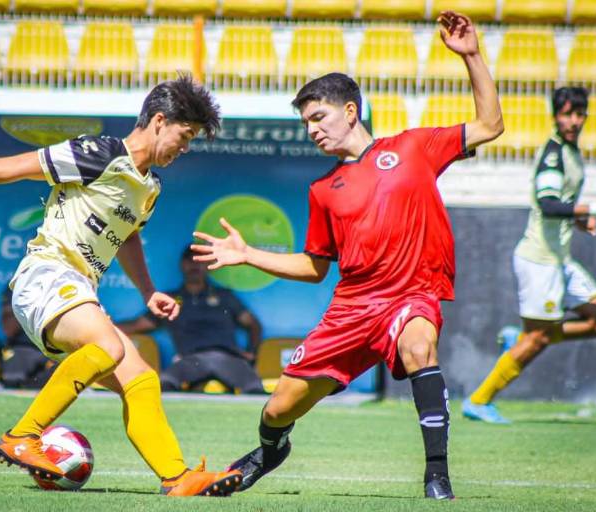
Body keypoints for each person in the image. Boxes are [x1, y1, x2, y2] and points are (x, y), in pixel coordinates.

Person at [191, 11, 503, 500]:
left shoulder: (414, 147)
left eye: (319, 117)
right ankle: (270, 451)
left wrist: (472, 56)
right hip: (352, 309)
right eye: (306, 123)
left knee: (419, 347)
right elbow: (315, 267)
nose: (312, 130)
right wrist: (249, 254)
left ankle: (437, 475)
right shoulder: (323, 189)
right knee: (277, 409)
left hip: (411, 296)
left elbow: (490, 124)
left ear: (351, 111)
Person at [0, 75, 242, 497]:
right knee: (109, 347)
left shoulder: (150, 187)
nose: (185, 148)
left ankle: (177, 477)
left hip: (75, 290)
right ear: (159, 120)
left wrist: (148, 291)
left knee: (141, 379)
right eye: (184, 136)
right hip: (45, 276)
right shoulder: (99, 154)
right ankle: (22, 436)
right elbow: (15, 167)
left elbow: (128, 237)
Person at [462, 87, 596, 424]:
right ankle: (478, 400)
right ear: (555, 116)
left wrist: (579, 220)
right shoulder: (553, 154)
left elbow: (558, 205)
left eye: (579, 114)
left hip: (559, 259)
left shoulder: (571, 152)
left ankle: (522, 339)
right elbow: (548, 205)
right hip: (539, 261)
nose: (574, 121)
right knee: (538, 338)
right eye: (567, 114)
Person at [120, 245, 265, 394]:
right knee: (165, 382)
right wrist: (106, 327)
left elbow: (253, 324)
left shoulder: (224, 296)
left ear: (208, 265)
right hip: (190, 360)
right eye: (190, 260)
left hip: (226, 358)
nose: (194, 265)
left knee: (254, 386)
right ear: (182, 265)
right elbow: (138, 325)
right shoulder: (171, 300)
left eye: (199, 260)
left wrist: (251, 353)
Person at [0, 285, 56, 389]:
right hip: (23, 348)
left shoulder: (26, 352)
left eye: (9, 315)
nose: (3, 320)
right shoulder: (17, 285)